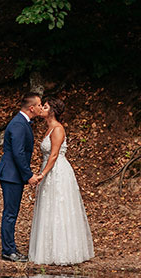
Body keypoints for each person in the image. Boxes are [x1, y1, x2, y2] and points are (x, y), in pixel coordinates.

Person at [28, 97, 94, 265]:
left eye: (45, 107)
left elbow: (54, 155)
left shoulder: (57, 129)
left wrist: (42, 174)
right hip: (49, 169)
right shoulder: (49, 128)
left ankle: (63, 251)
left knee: (59, 206)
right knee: (48, 206)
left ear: (52, 111)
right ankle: (48, 249)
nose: (41, 109)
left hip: (57, 171)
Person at [0, 92, 43, 262]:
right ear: (32, 108)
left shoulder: (22, 123)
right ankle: (8, 251)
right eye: (39, 105)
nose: (41, 107)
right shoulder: (18, 124)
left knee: (12, 212)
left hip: (14, 175)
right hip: (11, 175)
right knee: (10, 213)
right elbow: (18, 152)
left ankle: (11, 248)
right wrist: (28, 175)